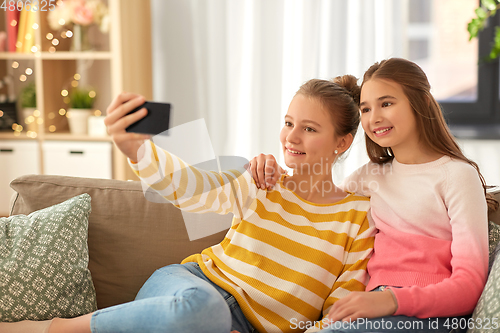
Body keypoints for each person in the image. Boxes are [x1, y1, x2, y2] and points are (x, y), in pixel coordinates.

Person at [1, 75, 377, 333]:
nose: (290, 137)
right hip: (188, 287)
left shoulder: (357, 216)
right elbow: (191, 189)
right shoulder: (264, 181)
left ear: (342, 143)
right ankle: (57, 329)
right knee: (204, 309)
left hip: (225, 325)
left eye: (309, 128)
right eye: (288, 122)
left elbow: (340, 309)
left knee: (207, 320)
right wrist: (138, 149)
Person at [247, 57, 498, 333]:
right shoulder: (369, 177)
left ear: (422, 102)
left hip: (432, 316)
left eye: (386, 103)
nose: (374, 118)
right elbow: (314, 206)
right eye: (365, 109)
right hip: (371, 310)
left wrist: (389, 300)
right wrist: (269, 169)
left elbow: (469, 284)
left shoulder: (457, 176)